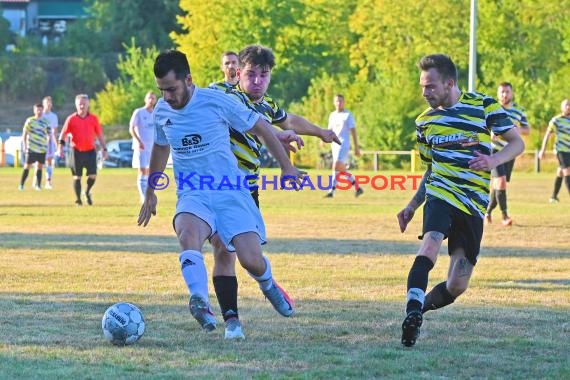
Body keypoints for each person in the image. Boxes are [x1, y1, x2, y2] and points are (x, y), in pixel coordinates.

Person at [138, 49, 306, 335]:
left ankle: (267, 283)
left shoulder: (216, 102)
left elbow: (264, 129)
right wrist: (151, 191)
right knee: (188, 234)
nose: (166, 97)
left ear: (188, 80)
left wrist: (287, 167)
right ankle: (200, 301)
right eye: (161, 90)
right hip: (194, 193)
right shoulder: (163, 112)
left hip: (230, 192)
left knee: (250, 259)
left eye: (171, 89)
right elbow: (161, 147)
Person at [208, 44, 339, 339]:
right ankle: (232, 322)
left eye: (263, 75)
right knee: (223, 250)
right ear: (237, 73)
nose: (257, 81)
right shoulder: (223, 95)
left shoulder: (268, 105)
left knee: (250, 259)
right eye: (251, 74)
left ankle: (267, 284)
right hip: (214, 186)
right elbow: (259, 127)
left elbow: (288, 120)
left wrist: (320, 132)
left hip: (247, 189)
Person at [396, 54, 524, 347]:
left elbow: (518, 143)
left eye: (430, 86)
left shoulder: (483, 106)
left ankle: (421, 310)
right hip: (441, 194)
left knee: (457, 283)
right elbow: (431, 170)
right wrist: (412, 206)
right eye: (422, 86)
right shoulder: (424, 123)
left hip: (473, 204)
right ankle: (412, 308)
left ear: (450, 83)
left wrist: (493, 159)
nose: (424, 93)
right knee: (430, 240)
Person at [484, 82, 530, 226]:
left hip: (510, 151)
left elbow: (527, 130)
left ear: (512, 93)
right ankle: (505, 217)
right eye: (502, 92)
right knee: (500, 181)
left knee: (500, 185)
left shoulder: (519, 111)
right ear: (498, 94)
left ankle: (487, 212)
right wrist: (490, 132)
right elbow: (483, 126)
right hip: (495, 150)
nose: (504, 94)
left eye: (507, 91)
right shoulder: (492, 109)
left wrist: (515, 129)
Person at [57, 94, 107, 206]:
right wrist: (60, 147)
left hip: (90, 151)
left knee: (93, 175)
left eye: (84, 103)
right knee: (77, 177)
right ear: (76, 105)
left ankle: (87, 192)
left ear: (88, 104)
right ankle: (78, 200)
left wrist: (104, 148)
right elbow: (63, 133)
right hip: (76, 151)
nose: (82, 106)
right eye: (80, 104)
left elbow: (99, 135)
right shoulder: (71, 119)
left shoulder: (93, 119)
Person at [325, 94, 363, 198]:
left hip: (343, 144)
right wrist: (323, 139)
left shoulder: (348, 115)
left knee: (335, 165)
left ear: (344, 102)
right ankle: (357, 187)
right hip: (334, 145)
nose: (338, 103)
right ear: (333, 102)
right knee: (340, 169)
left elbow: (353, 131)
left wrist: (356, 146)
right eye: (337, 101)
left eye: (340, 101)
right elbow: (330, 130)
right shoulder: (332, 115)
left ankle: (331, 191)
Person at [538, 99, 570, 201]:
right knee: (567, 171)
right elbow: (547, 135)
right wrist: (543, 149)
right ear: (562, 107)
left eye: (569, 105)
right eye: (566, 105)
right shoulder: (556, 120)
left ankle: (553, 196)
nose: (568, 107)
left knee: (560, 172)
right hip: (561, 150)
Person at [129, 91, 158, 203]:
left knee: (151, 172)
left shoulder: (156, 113)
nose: (151, 100)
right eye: (149, 98)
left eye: (153, 98)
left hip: (153, 148)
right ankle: (143, 197)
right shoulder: (139, 112)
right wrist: (138, 141)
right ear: (145, 99)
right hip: (141, 147)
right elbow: (131, 128)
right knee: (142, 171)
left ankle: (149, 194)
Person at [19, 103, 50, 191]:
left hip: (42, 148)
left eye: (41, 109)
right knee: (27, 166)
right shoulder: (30, 121)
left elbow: (49, 134)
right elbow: (24, 134)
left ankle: (38, 185)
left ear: (43, 110)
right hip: (31, 148)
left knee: (40, 167)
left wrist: (46, 143)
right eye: (37, 109)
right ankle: (21, 185)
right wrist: (25, 145)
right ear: (34, 110)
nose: (39, 111)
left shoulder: (46, 122)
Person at [42, 96, 58, 189]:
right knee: (39, 162)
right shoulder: (40, 115)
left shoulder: (54, 116)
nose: (48, 104)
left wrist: (57, 144)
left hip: (50, 143)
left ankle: (48, 181)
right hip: (40, 142)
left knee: (49, 162)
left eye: (50, 102)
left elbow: (55, 132)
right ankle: (37, 180)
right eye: (46, 103)